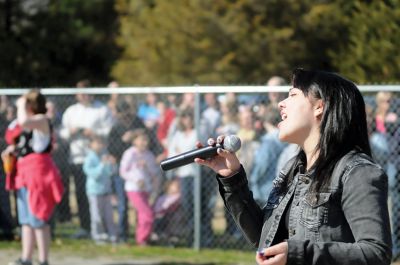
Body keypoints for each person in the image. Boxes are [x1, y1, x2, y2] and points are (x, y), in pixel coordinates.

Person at [195, 69, 392, 264]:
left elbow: (375, 253)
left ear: (319, 107)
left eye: (292, 95)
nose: (281, 103)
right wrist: (231, 177)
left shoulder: (357, 171)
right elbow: (263, 237)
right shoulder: (293, 168)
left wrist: (299, 253)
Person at [2, 89, 64, 265]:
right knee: (26, 221)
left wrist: (22, 104)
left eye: (27, 103)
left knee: (38, 218)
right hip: (23, 173)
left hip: (38, 173)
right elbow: (24, 141)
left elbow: (24, 121)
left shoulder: (42, 119)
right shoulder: (28, 125)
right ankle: (26, 257)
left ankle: (43, 260)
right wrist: (13, 150)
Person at [60, 79, 114, 239]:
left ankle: (102, 228)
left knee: (100, 195)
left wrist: (93, 133)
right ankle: (85, 227)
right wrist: (72, 131)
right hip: (77, 157)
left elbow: (109, 130)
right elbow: (62, 132)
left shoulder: (101, 109)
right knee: (81, 193)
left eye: (86, 92)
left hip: (98, 158)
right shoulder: (71, 111)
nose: (83, 96)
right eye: (80, 92)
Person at [119, 128, 161, 246]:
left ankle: (143, 238)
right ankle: (142, 239)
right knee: (147, 214)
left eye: (146, 140)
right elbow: (123, 171)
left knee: (143, 215)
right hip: (133, 188)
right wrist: (136, 180)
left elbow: (154, 172)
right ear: (135, 141)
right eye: (142, 140)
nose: (144, 143)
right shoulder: (130, 153)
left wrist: (147, 166)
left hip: (146, 189)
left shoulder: (149, 155)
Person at [83, 135, 118, 244]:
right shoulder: (89, 158)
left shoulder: (105, 156)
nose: (100, 146)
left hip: (106, 191)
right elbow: (93, 174)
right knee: (96, 216)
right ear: (91, 145)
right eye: (97, 143)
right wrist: (102, 164)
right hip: (94, 192)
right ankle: (98, 236)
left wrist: (112, 164)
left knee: (109, 215)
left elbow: (111, 173)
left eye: (102, 143)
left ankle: (112, 235)